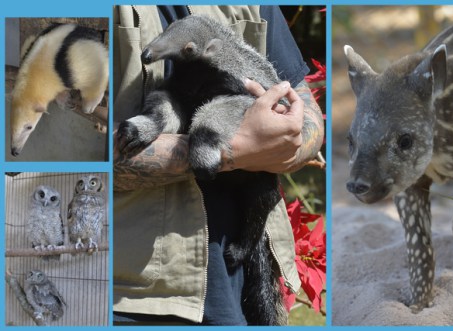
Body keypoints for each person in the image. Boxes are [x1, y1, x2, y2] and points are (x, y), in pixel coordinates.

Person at [112, 5, 324, 325]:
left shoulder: (233, 65)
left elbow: (298, 105)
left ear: (208, 51)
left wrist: (292, 139)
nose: (154, 54)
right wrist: (237, 150)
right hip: (132, 298)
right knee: (164, 102)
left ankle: (246, 241)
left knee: (258, 192)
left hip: (231, 277)